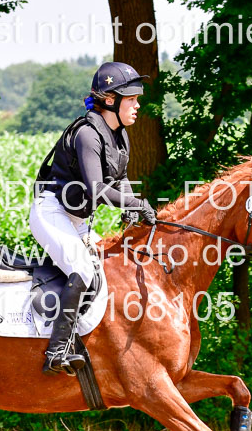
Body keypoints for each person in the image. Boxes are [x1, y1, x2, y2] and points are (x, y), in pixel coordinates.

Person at [30, 61, 157, 375]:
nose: (138, 105)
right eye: (132, 100)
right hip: (52, 212)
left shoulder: (119, 136)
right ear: (110, 101)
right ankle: (57, 351)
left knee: (111, 269)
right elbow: (98, 190)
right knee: (83, 269)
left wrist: (131, 206)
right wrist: (137, 202)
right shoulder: (88, 134)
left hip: (77, 219)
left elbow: (121, 179)